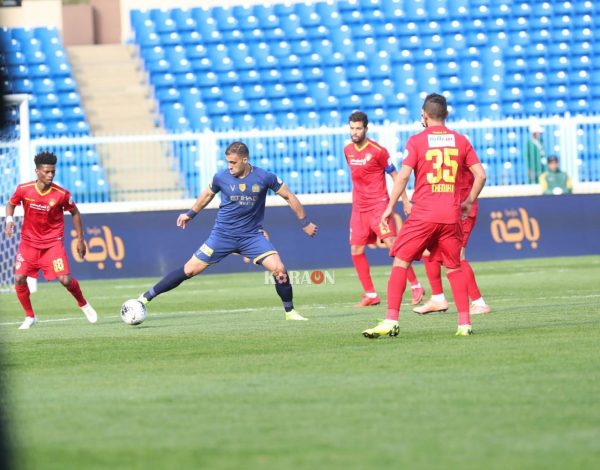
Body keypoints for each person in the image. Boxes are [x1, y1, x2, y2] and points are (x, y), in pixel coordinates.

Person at [136, 141, 318, 320]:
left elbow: (289, 196)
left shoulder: (265, 177)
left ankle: (290, 312)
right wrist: (190, 214)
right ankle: (144, 298)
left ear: (245, 160)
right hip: (222, 236)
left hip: (251, 236)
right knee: (189, 270)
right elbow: (207, 195)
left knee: (279, 269)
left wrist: (305, 222)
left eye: (233, 162)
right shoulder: (220, 177)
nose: (229, 167)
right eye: (228, 162)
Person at [362, 93, 486, 338]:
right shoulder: (461, 141)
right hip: (451, 215)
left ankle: (390, 321)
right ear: (446, 115)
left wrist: (389, 207)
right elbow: (480, 175)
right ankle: (464, 324)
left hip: (424, 215)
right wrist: (468, 201)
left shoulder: (417, 141)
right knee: (453, 267)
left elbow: (404, 176)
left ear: (424, 116)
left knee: (401, 262)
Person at [4, 151, 98, 329]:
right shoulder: (24, 189)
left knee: (65, 280)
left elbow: (75, 212)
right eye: (46, 172)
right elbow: (11, 203)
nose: (50, 175)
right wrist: (9, 220)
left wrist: (80, 239)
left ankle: (83, 304)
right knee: (19, 278)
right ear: (37, 171)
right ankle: (30, 316)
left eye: (52, 172)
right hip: (29, 243)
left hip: (52, 244)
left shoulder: (61, 194)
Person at [344, 111, 424, 308]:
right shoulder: (348, 150)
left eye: (358, 128)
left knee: (392, 244)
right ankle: (371, 294)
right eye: (352, 128)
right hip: (359, 208)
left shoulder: (378, 151)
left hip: (378, 205)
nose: (354, 132)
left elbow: (396, 176)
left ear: (366, 128)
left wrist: (405, 201)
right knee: (356, 249)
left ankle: (415, 285)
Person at [414, 157, 491, 316]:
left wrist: (468, 202)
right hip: (444, 209)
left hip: (461, 209)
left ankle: (479, 303)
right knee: (428, 252)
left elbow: (481, 175)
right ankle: (437, 298)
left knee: (457, 257)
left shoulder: (459, 145)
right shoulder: (444, 146)